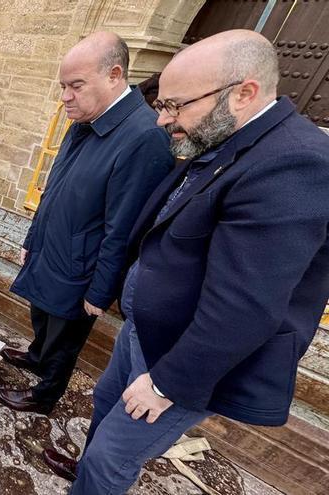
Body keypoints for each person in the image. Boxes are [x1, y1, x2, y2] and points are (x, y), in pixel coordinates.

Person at [39, 29, 329, 494]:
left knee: (115, 454)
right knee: (106, 400)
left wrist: (165, 383)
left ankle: (93, 478)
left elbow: (246, 305)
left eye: (176, 106)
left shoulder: (295, 164)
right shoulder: (223, 135)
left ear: (243, 93)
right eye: (163, 105)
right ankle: (85, 469)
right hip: (147, 331)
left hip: (184, 358)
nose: (163, 120)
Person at [0, 32, 174, 414]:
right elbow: (55, 186)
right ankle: (36, 355)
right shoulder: (84, 118)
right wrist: (33, 236)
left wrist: (100, 291)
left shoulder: (144, 138)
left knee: (66, 334)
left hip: (82, 263)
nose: (65, 96)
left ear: (114, 75)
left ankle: (46, 394)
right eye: (63, 86)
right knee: (42, 313)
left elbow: (125, 227)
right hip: (52, 244)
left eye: (75, 86)